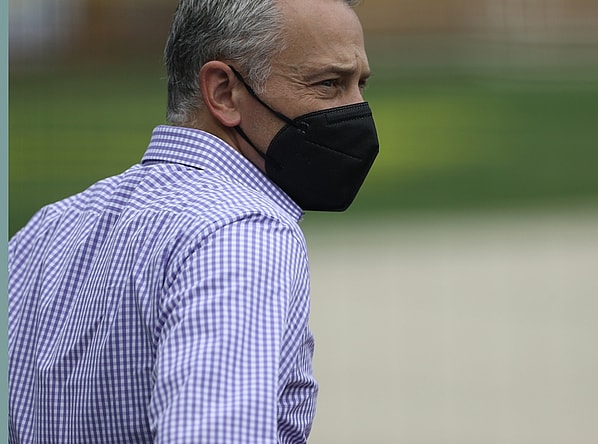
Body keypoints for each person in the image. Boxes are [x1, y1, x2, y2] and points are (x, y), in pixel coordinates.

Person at [8, 0, 378, 442]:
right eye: (329, 84)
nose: (357, 110)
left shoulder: (46, 230)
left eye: (360, 84)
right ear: (223, 92)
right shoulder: (242, 233)